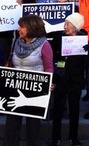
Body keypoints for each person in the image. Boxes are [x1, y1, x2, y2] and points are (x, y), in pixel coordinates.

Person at [4, 14, 53, 146]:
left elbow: (49, 67)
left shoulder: (44, 44)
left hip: (35, 91)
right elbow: (11, 63)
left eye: (22, 27)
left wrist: (48, 83)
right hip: (15, 89)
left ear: (31, 28)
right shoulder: (16, 42)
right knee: (11, 127)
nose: (18, 29)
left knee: (33, 129)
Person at [49, 13, 89, 146]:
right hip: (60, 78)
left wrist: (88, 51)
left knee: (74, 109)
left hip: (76, 80)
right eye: (65, 23)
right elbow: (52, 58)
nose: (65, 26)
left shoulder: (83, 39)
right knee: (58, 109)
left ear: (76, 27)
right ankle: (55, 138)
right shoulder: (58, 38)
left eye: (68, 24)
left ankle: (73, 138)